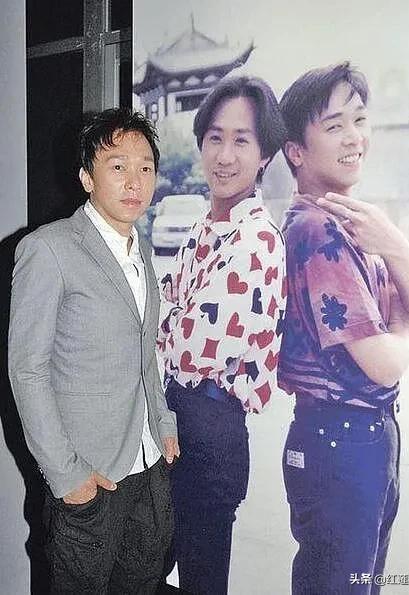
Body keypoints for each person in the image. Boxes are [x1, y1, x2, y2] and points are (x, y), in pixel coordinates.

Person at [277, 62, 409, 595]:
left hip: (360, 439)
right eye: (334, 126)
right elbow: (385, 363)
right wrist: (401, 316)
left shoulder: (353, 222)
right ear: (296, 151)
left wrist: (392, 241)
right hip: (340, 444)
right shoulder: (317, 231)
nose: (354, 138)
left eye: (359, 120)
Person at [8, 108, 179, 594]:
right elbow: (27, 371)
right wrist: (67, 476)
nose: (135, 181)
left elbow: (145, 352)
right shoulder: (49, 249)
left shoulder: (141, 251)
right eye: (117, 166)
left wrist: (163, 422)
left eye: (145, 167)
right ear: (87, 178)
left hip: (148, 464)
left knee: (145, 583)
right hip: (90, 473)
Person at [157, 76, 287, 595]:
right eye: (215, 137)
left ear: (264, 154)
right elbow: (166, 311)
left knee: (201, 581)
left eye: (241, 140)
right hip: (178, 418)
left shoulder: (257, 240)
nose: (225, 156)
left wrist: (166, 318)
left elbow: (189, 348)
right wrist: (170, 316)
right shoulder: (205, 227)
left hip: (212, 431)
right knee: (146, 566)